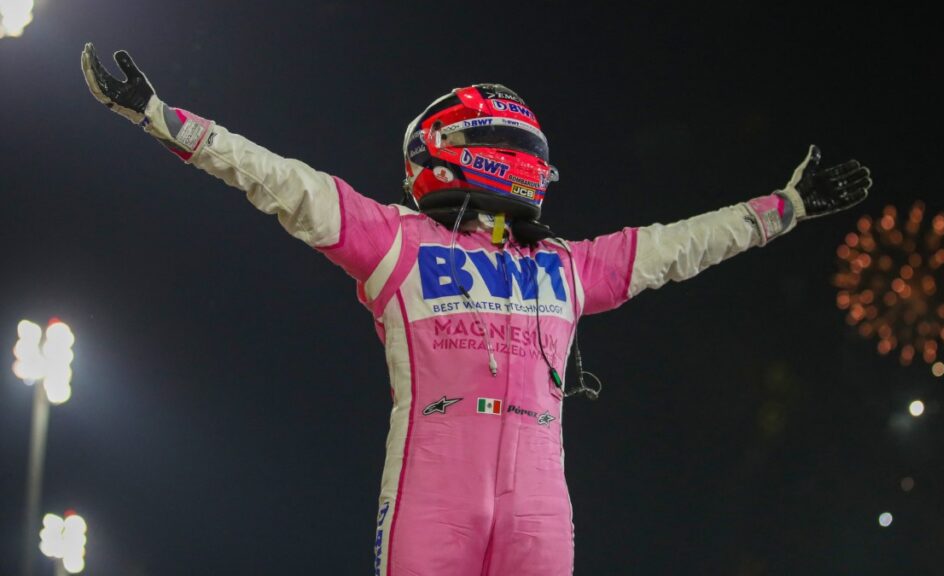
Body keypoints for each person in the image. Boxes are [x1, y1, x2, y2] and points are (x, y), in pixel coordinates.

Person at [81, 43, 871, 576]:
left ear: (445, 152)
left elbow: (683, 245)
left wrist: (788, 207)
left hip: (482, 495)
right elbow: (279, 180)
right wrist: (161, 118)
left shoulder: (509, 256)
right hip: (485, 498)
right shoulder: (420, 244)